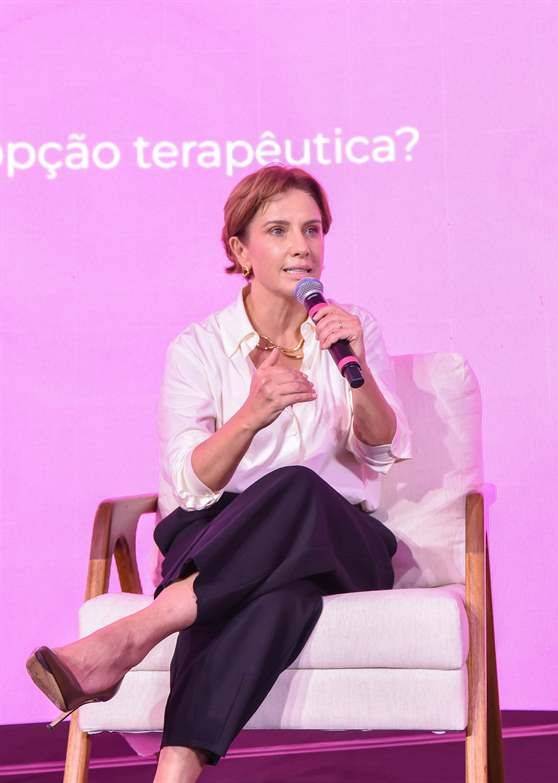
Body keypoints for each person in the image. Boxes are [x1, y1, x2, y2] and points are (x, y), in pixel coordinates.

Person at [26, 164, 412, 782]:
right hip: (221, 535)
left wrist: (358, 370)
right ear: (240, 250)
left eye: (312, 229)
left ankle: (136, 633)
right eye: (279, 230)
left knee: (299, 487)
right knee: (278, 599)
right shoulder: (198, 348)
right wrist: (250, 416)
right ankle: (175, 773)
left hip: (339, 540)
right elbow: (189, 484)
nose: (301, 246)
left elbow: (382, 450)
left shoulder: (350, 329)